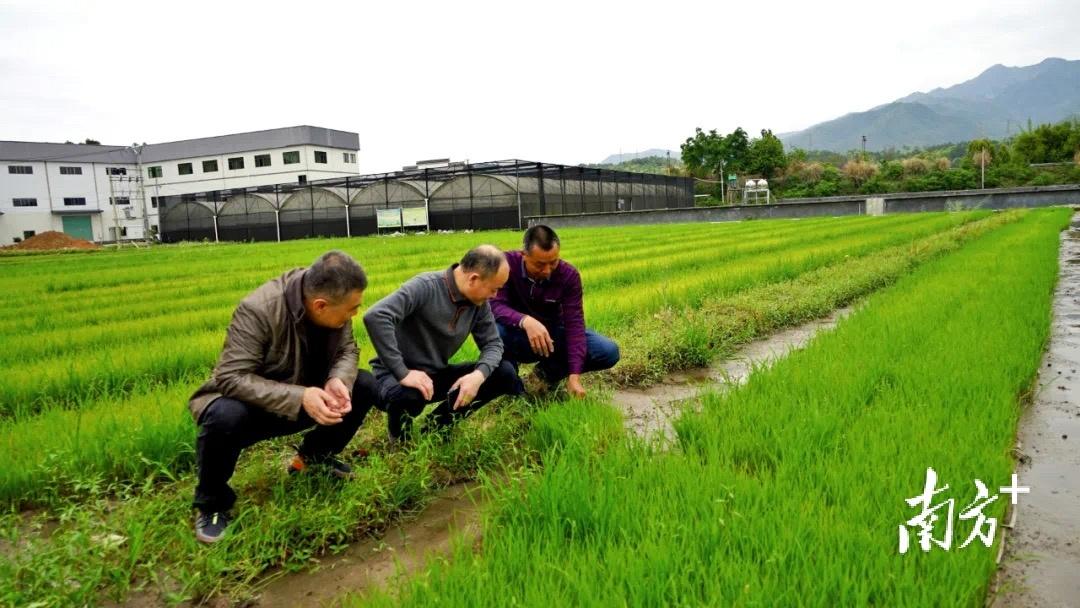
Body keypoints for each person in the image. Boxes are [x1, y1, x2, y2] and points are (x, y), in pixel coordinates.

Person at [188, 250, 376, 544]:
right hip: (257, 406)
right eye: (352, 309)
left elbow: (347, 351)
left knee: (363, 385)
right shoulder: (259, 310)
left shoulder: (334, 302)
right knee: (224, 416)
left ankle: (315, 458)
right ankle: (212, 503)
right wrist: (300, 396)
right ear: (320, 305)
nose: (355, 314)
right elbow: (230, 377)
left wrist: (337, 379)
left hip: (308, 390)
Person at [364, 244, 520, 441]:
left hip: (434, 374)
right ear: (473, 279)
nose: (495, 296)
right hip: (395, 377)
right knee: (409, 396)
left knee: (504, 373)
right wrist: (402, 372)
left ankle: (435, 428)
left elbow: (493, 344)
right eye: (493, 289)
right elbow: (376, 316)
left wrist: (478, 376)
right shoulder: (425, 286)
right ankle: (399, 438)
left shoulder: (478, 305)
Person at [491, 225, 620, 398]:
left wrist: (575, 376)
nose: (547, 270)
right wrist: (525, 321)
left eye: (553, 262)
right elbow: (494, 305)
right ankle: (511, 388)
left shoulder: (568, 275)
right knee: (494, 331)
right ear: (524, 255)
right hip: (516, 333)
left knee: (607, 351)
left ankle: (543, 376)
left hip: (551, 337)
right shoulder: (505, 265)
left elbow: (574, 326)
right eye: (540, 264)